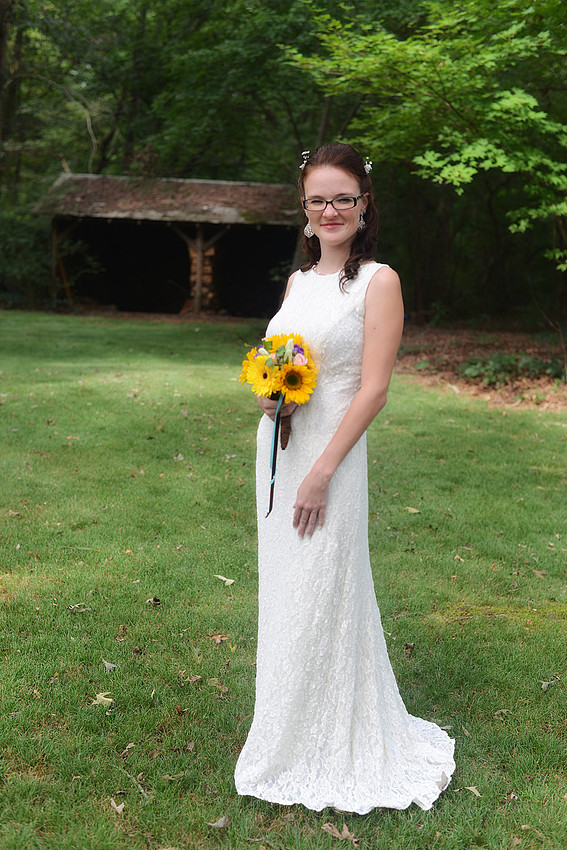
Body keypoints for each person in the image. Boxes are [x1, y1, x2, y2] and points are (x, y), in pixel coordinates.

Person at [234, 143, 455, 813]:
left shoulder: (378, 282)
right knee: (288, 590)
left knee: (326, 587)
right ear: (304, 210)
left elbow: (373, 390)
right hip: (281, 450)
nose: (329, 211)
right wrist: (271, 395)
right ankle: (286, 728)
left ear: (363, 205)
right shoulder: (297, 283)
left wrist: (322, 471)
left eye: (342, 199)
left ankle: (334, 735)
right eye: (317, 200)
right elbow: (281, 359)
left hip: (330, 459)